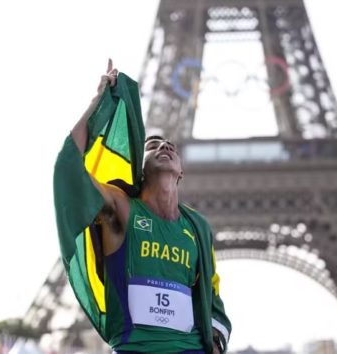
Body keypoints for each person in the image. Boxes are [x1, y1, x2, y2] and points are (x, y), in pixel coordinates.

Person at [54, 60, 231, 353]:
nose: (165, 146)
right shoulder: (121, 210)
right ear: (140, 169)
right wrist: (98, 105)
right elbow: (70, 168)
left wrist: (215, 339)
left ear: (181, 173)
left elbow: (211, 291)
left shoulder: (197, 228)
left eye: (171, 146)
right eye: (153, 145)